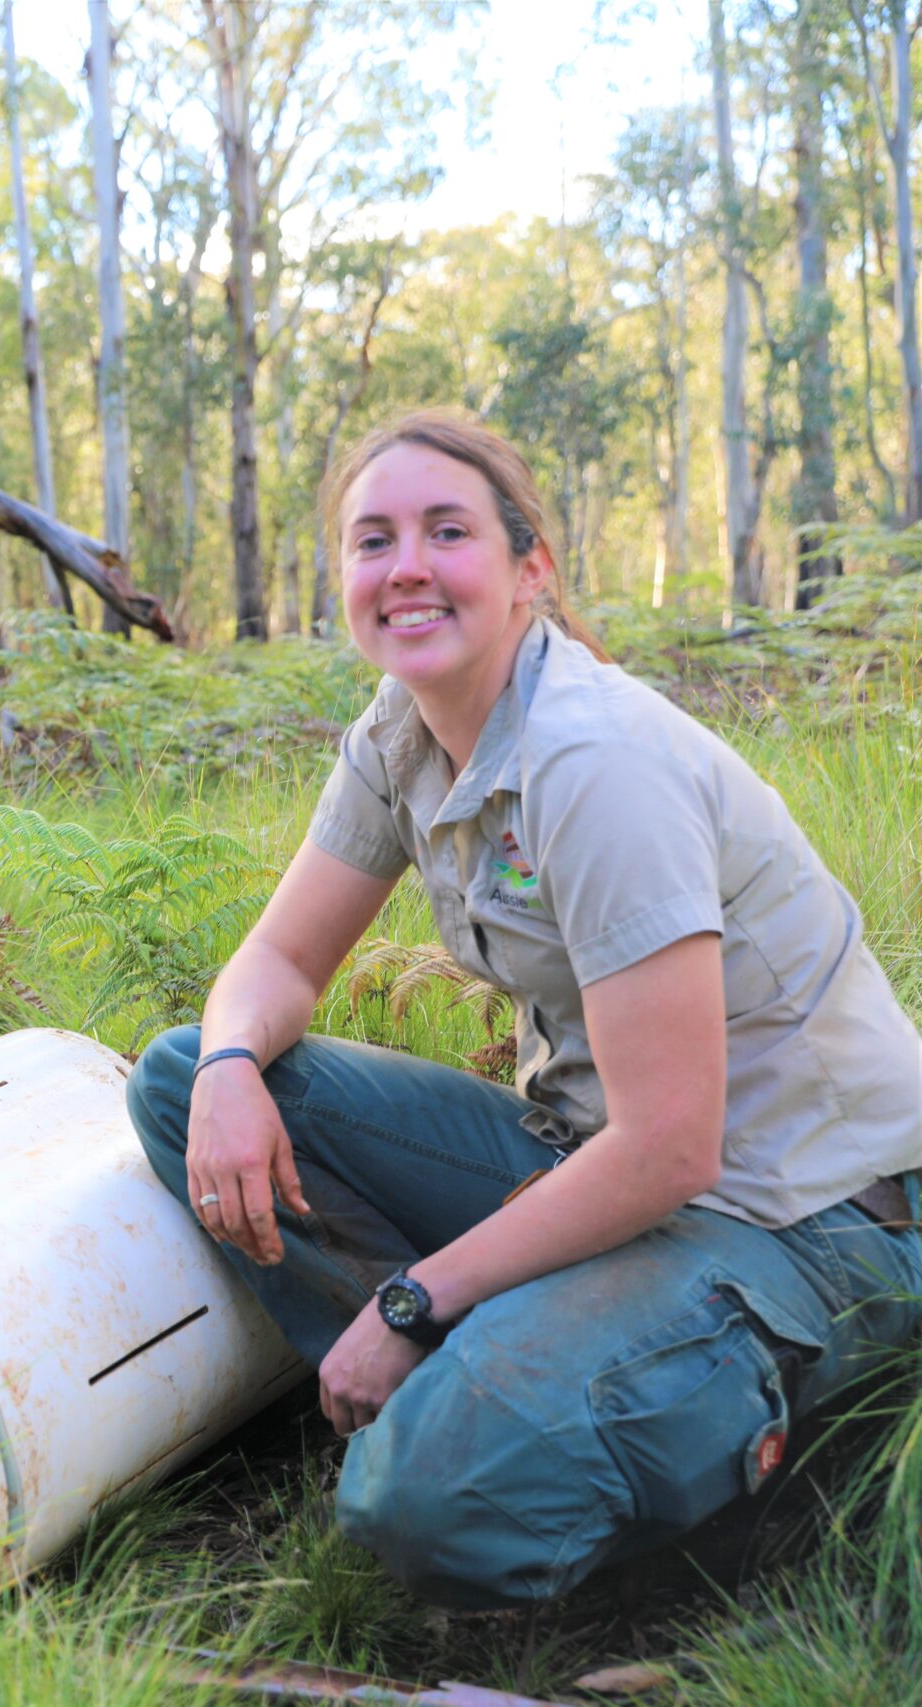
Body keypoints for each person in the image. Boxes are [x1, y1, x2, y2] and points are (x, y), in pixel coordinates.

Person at [126, 408, 922, 1608]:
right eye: (371, 539)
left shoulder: (594, 763)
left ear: (527, 569)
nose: (405, 567)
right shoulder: (400, 736)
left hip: (803, 1220)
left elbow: (670, 1147)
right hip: (594, 1165)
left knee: (417, 1503)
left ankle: (753, 1509)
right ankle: (485, 1387)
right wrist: (235, 1064)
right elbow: (277, 965)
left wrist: (412, 1295)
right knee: (186, 1076)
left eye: (446, 532)